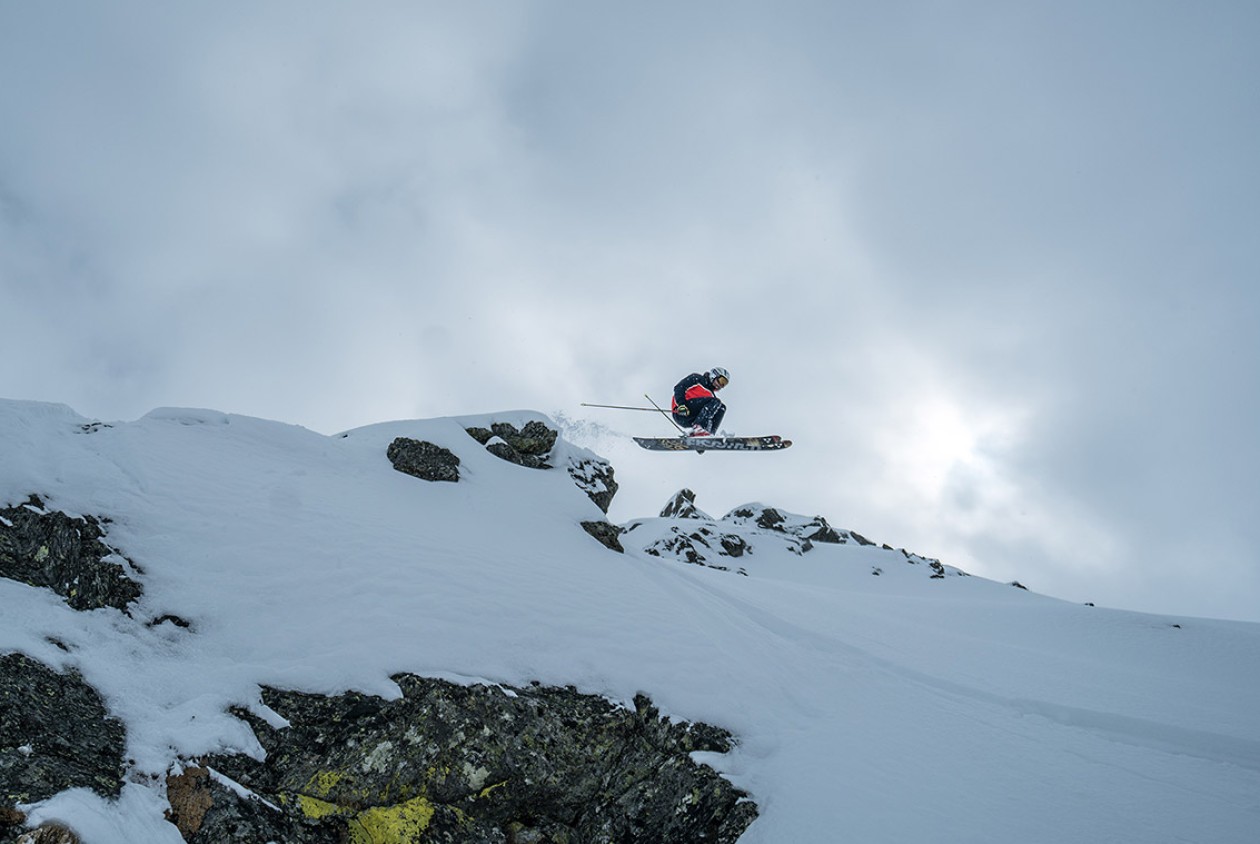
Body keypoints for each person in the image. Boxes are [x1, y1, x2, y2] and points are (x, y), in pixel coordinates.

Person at [671, 367, 730, 436]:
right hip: (682, 411)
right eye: (721, 381)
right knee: (716, 402)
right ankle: (699, 428)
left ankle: (708, 434)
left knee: (721, 407)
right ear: (714, 375)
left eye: (724, 384)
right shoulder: (698, 379)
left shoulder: (712, 395)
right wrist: (681, 405)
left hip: (694, 418)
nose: (721, 385)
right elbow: (679, 387)